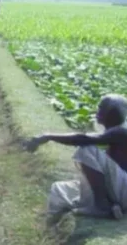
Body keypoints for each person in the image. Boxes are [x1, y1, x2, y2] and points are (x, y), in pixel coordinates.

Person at [25, 94, 127, 222]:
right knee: (59, 188)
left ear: (113, 113)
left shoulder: (120, 131)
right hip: (119, 188)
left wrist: (48, 136)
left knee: (87, 149)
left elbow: (83, 139)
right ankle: (52, 225)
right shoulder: (114, 132)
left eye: (101, 108)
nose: (97, 112)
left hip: (123, 188)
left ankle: (101, 206)